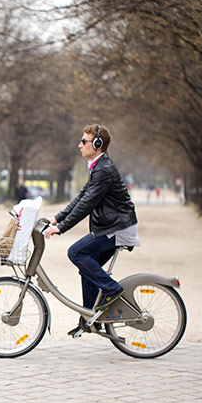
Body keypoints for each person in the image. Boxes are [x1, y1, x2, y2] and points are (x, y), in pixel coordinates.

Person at [43, 124, 140, 336]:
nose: (79, 145)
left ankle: (112, 289)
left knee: (76, 252)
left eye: (84, 141)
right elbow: (81, 196)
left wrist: (61, 228)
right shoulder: (97, 166)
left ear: (97, 144)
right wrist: (57, 217)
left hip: (118, 228)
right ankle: (91, 316)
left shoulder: (103, 169)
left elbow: (87, 203)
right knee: (87, 265)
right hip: (111, 226)